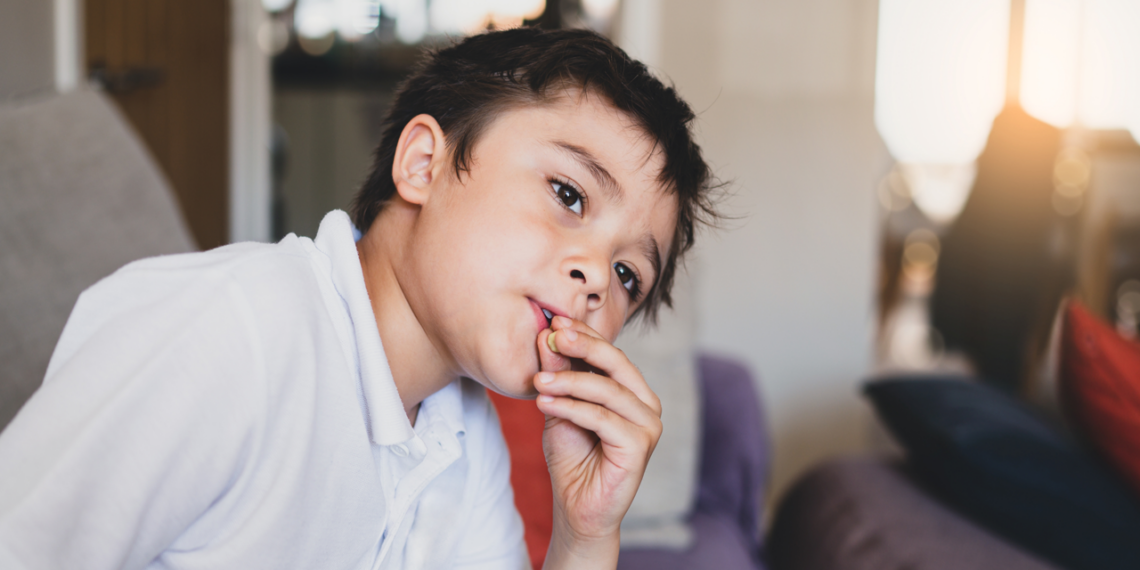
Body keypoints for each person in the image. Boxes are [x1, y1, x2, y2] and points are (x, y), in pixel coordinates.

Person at [0, 27, 717, 569]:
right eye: (568, 194)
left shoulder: (462, 442)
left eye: (629, 276)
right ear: (424, 164)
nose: (596, 274)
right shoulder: (229, 333)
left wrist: (586, 534)